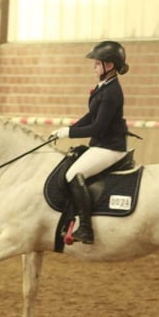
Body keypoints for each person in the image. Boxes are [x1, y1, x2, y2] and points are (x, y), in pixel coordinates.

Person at [48, 40, 130, 244]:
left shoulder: (112, 92)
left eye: (96, 63)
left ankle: (85, 228)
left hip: (110, 147)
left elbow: (98, 127)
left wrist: (69, 133)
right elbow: (91, 116)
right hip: (101, 144)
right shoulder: (104, 86)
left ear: (109, 66)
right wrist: (67, 129)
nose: (93, 67)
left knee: (74, 174)